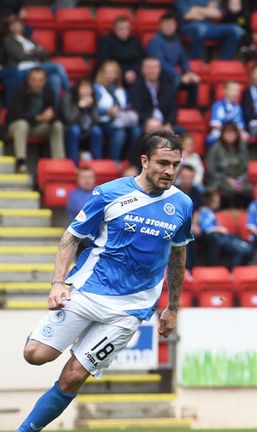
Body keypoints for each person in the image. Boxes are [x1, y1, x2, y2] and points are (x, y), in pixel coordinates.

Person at [17, 129, 194, 432]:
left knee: (73, 376)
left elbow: (178, 255)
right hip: (88, 291)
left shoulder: (182, 204)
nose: (169, 171)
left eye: (175, 165)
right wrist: (58, 283)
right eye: (163, 163)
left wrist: (173, 306)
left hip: (130, 309)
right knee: (35, 355)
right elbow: (72, 236)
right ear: (144, 160)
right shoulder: (108, 193)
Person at [1, 14, 70, 104]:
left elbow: (46, 53)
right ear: (8, 28)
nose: (17, 26)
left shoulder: (28, 39)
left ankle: (54, 111)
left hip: (38, 66)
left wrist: (31, 52)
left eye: (18, 24)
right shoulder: (8, 40)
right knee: (57, 66)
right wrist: (36, 51)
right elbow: (19, 55)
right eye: (13, 25)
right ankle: (71, 93)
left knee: (55, 79)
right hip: (24, 69)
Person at [7, 67, 64, 173]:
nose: (37, 83)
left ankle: (59, 162)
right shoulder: (19, 90)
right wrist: (38, 117)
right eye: (34, 80)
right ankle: (21, 161)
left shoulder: (48, 92)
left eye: (40, 80)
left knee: (57, 125)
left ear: (45, 81)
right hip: (16, 127)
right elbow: (16, 113)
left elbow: (58, 114)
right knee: (22, 124)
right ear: (28, 80)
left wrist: (51, 116)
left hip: (38, 126)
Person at [147, 11, 201, 108]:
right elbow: (161, 64)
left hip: (174, 75)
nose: (169, 27)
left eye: (172, 24)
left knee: (193, 80)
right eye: (167, 24)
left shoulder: (176, 40)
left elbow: (183, 58)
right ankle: (167, 109)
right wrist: (179, 76)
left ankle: (191, 110)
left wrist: (188, 72)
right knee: (174, 80)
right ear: (161, 25)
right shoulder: (154, 41)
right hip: (160, 76)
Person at [94, 61, 142, 163]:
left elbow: (128, 104)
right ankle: (114, 161)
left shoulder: (121, 89)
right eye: (108, 72)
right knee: (119, 132)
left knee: (136, 130)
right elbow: (93, 108)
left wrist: (127, 109)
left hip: (122, 120)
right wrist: (107, 111)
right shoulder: (96, 88)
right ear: (102, 72)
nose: (111, 74)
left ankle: (131, 161)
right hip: (104, 120)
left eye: (114, 72)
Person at [196, 190, 252, 269]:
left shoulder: (210, 212)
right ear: (211, 202)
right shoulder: (205, 212)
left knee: (247, 249)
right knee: (241, 251)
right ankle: (233, 273)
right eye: (217, 201)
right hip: (222, 240)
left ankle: (239, 273)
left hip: (226, 238)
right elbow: (207, 229)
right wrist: (219, 229)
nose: (219, 202)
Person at [176, 0, 245, 60]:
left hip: (210, 27)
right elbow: (187, 15)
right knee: (201, 29)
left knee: (236, 30)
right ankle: (196, 62)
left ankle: (224, 62)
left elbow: (217, 14)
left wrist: (197, 9)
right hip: (189, 28)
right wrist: (208, 11)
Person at [206, 122, 252, 208]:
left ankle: (244, 214)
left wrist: (239, 181)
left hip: (238, 179)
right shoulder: (215, 148)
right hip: (220, 179)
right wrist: (228, 180)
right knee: (228, 190)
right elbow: (211, 170)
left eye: (232, 133)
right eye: (227, 133)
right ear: (222, 134)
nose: (230, 135)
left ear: (237, 134)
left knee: (248, 189)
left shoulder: (242, 147)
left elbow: (245, 169)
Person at [129, 57, 178, 131]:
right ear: (142, 70)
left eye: (155, 68)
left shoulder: (167, 87)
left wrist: (168, 123)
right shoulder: (136, 87)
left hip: (164, 123)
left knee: (181, 133)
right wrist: (148, 121)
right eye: (149, 68)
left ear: (159, 69)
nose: (152, 71)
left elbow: (173, 109)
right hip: (145, 122)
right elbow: (137, 109)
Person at [95, 15, 144, 86]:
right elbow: (105, 61)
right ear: (114, 29)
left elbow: (141, 59)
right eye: (120, 29)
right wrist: (124, 73)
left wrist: (133, 72)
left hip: (134, 76)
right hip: (113, 76)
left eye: (126, 28)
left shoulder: (135, 41)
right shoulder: (106, 41)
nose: (124, 31)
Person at [62, 79, 103, 165]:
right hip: (70, 128)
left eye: (89, 87)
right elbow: (69, 120)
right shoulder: (69, 97)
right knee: (75, 129)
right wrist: (79, 107)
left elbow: (96, 120)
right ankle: (73, 163)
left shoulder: (93, 98)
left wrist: (91, 106)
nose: (86, 90)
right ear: (77, 88)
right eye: (83, 87)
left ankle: (97, 163)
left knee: (97, 131)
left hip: (87, 129)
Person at [207, 80, 247, 146]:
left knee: (244, 136)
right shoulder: (217, 105)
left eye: (237, 91)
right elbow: (215, 124)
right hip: (220, 132)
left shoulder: (238, 108)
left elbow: (240, 126)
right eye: (233, 90)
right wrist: (227, 132)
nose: (236, 93)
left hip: (234, 133)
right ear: (225, 91)